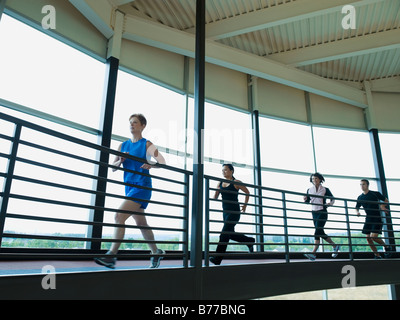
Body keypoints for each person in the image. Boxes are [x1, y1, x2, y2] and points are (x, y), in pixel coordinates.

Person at [95, 114, 166, 269]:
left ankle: (111, 256)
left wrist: (150, 165)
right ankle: (156, 252)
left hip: (142, 186)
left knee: (119, 216)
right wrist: (120, 161)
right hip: (129, 187)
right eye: (130, 123)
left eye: (135, 122)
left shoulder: (147, 144)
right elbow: (113, 168)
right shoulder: (122, 146)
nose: (132, 125)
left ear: (142, 126)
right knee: (141, 223)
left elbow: (162, 162)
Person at [209, 164, 255, 266]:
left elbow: (247, 192)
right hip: (225, 213)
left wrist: (245, 205)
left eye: (225, 170)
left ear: (231, 171)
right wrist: (216, 190)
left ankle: (217, 258)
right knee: (229, 234)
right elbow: (215, 197)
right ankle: (249, 240)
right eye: (222, 170)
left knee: (224, 234)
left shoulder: (236, 182)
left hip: (234, 212)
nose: (223, 172)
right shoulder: (220, 182)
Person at [303, 172, 340, 261]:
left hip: (322, 212)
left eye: (316, 178)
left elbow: (332, 198)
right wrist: (305, 199)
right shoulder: (309, 190)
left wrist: (329, 204)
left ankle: (313, 253)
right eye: (312, 179)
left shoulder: (325, 189)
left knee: (317, 231)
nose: (314, 180)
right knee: (319, 231)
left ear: (320, 179)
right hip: (314, 212)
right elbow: (308, 201)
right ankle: (335, 245)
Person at [355, 179, 393, 259]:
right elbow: (356, 207)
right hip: (368, 219)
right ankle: (377, 255)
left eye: (363, 184)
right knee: (368, 238)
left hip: (377, 218)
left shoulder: (375, 194)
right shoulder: (360, 197)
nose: (362, 186)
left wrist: (382, 205)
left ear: (367, 185)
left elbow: (386, 200)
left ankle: (387, 247)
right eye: (361, 184)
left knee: (374, 237)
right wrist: (357, 212)